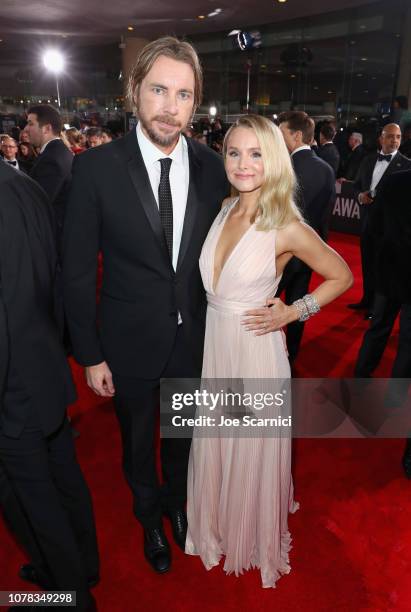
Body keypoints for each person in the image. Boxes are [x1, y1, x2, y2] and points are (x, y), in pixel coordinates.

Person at [63, 36, 228, 575]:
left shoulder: (211, 167)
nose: (170, 107)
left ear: (195, 101)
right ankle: (147, 519)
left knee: (182, 438)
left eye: (183, 95)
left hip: (192, 341)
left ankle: (177, 506)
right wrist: (89, 354)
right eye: (159, 89)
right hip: (126, 342)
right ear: (134, 91)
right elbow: (78, 270)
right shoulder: (95, 169)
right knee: (137, 445)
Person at [185, 115, 353, 588]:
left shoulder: (286, 224)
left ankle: (248, 528)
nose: (243, 163)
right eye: (234, 152)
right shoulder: (223, 207)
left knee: (248, 443)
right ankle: (216, 516)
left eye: (256, 153)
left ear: (274, 159)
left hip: (255, 351)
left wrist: (293, 312)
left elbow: (342, 276)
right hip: (217, 347)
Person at [0, 159, 99, 611]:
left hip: (11, 384)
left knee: (32, 499)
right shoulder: (24, 183)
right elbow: (55, 279)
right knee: (64, 477)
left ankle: (71, 596)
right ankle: (85, 567)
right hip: (44, 365)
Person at [354, 170, 411, 476]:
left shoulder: (394, 180)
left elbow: (374, 225)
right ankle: (393, 401)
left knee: (378, 329)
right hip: (398, 271)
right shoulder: (395, 180)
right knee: (407, 345)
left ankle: (360, 382)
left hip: (390, 270)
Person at [276, 110, 335, 363]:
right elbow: (325, 216)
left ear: (297, 135)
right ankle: (292, 358)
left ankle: (266, 357)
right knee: (298, 309)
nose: (278, 140)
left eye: (282, 134)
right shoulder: (327, 169)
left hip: (280, 254)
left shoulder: (283, 168)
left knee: (263, 305)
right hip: (310, 255)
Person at [349, 124, 411, 317]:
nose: (394, 140)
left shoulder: (407, 165)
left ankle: (378, 308)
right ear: (381, 139)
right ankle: (367, 301)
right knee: (367, 264)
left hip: (391, 229)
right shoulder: (368, 160)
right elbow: (356, 185)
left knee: (384, 268)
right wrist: (360, 196)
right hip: (368, 223)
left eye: (398, 137)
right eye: (390, 136)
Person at [24, 104, 74, 241]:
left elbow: (38, 205)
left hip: (53, 240)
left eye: (30, 123)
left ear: (47, 128)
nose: (26, 129)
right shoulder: (59, 152)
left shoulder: (52, 159)